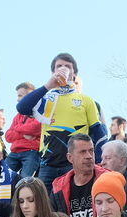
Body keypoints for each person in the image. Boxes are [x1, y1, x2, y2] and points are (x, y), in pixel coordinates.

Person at [17, 53, 107, 188]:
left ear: (74, 73)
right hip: (48, 165)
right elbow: (22, 108)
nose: (63, 68)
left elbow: (98, 133)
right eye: (58, 66)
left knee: (74, 201)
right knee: (45, 201)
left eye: (67, 66)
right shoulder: (46, 99)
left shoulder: (86, 100)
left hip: (74, 164)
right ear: (53, 72)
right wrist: (47, 86)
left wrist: (99, 163)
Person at [51, 132, 106, 217]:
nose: (89, 156)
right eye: (82, 152)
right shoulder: (58, 188)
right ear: (70, 158)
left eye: (91, 151)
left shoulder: (108, 179)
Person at [3, 83, 42, 179]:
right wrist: (24, 133)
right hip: (15, 152)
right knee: (2, 177)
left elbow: (35, 128)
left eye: (20, 96)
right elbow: (8, 136)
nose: (17, 99)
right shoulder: (18, 115)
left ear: (29, 97)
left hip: (32, 152)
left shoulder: (40, 113)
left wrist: (17, 128)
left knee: (25, 181)